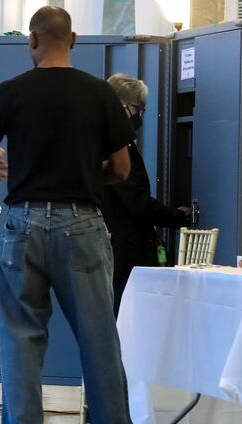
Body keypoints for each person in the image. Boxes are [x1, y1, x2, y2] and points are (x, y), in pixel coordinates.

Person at [0, 6, 134, 423]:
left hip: (23, 226)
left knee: (21, 342)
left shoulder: (10, 91)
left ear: (32, 40)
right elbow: (122, 169)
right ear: (72, 40)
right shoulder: (100, 93)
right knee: (99, 343)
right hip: (83, 226)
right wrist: (85, 178)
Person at [101, 73, 190, 316]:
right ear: (121, 107)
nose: (139, 116)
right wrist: (177, 217)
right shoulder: (116, 146)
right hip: (124, 256)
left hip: (115, 252)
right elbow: (136, 203)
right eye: (137, 109)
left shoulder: (105, 140)